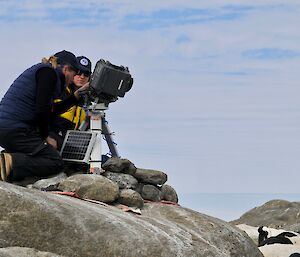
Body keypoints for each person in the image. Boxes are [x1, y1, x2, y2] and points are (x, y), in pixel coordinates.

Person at [0, 50, 85, 182]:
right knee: (54, 161)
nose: (72, 79)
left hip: (8, 128)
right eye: (74, 74)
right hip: (16, 129)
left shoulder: (44, 71)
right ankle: (10, 162)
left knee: (42, 153)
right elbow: (42, 110)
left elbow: (49, 111)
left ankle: (8, 161)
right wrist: (46, 136)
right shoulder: (48, 73)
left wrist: (75, 97)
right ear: (67, 69)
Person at [49, 56, 92, 150]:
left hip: (72, 147)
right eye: (78, 72)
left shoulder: (88, 103)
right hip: (53, 141)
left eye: (86, 74)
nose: (82, 76)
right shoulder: (59, 91)